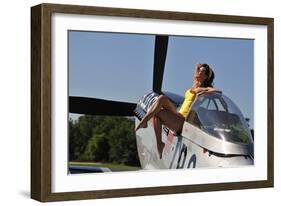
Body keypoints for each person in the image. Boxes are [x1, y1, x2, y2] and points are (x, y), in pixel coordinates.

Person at [135, 63, 220, 158]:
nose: (199, 73)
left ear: (206, 77)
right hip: (179, 114)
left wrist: (204, 90)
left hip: (183, 121)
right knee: (161, 99)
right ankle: (154, 135)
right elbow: (197, 66)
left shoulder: (200, 90)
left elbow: (217, 91)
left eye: (202, 72)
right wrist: (201, 67)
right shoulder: (194, 85)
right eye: (199, 71)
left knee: (157, 114)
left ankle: (147, 125)